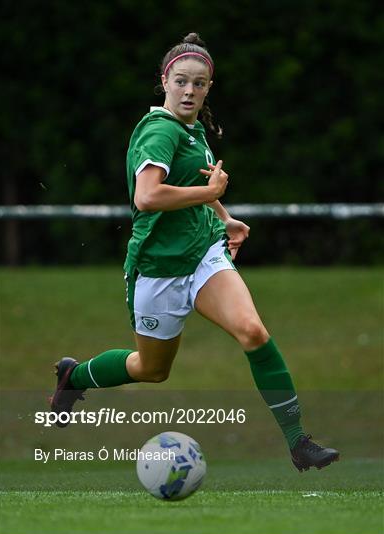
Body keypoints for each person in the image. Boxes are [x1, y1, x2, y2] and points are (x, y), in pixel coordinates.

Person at [50, 32, 339, 472]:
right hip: (158, 268)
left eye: (199, 84)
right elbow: (147, 197)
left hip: (203, 252)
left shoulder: (193, 130)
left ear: (208, 89)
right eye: (181, 81)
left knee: (253, 332)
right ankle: (75, 376)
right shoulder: (158, 130)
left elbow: (196, 183)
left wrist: (223, 216)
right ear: (164, 80)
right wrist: (209, 191)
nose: (190, 91)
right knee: (151, 369)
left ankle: (299, 442)